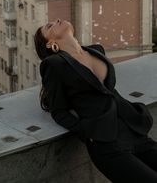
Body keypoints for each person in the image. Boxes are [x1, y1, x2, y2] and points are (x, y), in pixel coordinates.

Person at [34, 18, 157, 183]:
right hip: (107, 145)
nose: (56, 20)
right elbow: (59, 111)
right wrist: (87, 132)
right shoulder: (53, 64)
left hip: (134, 130)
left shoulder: (96, 50)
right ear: (50, 44)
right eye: (49, 27)